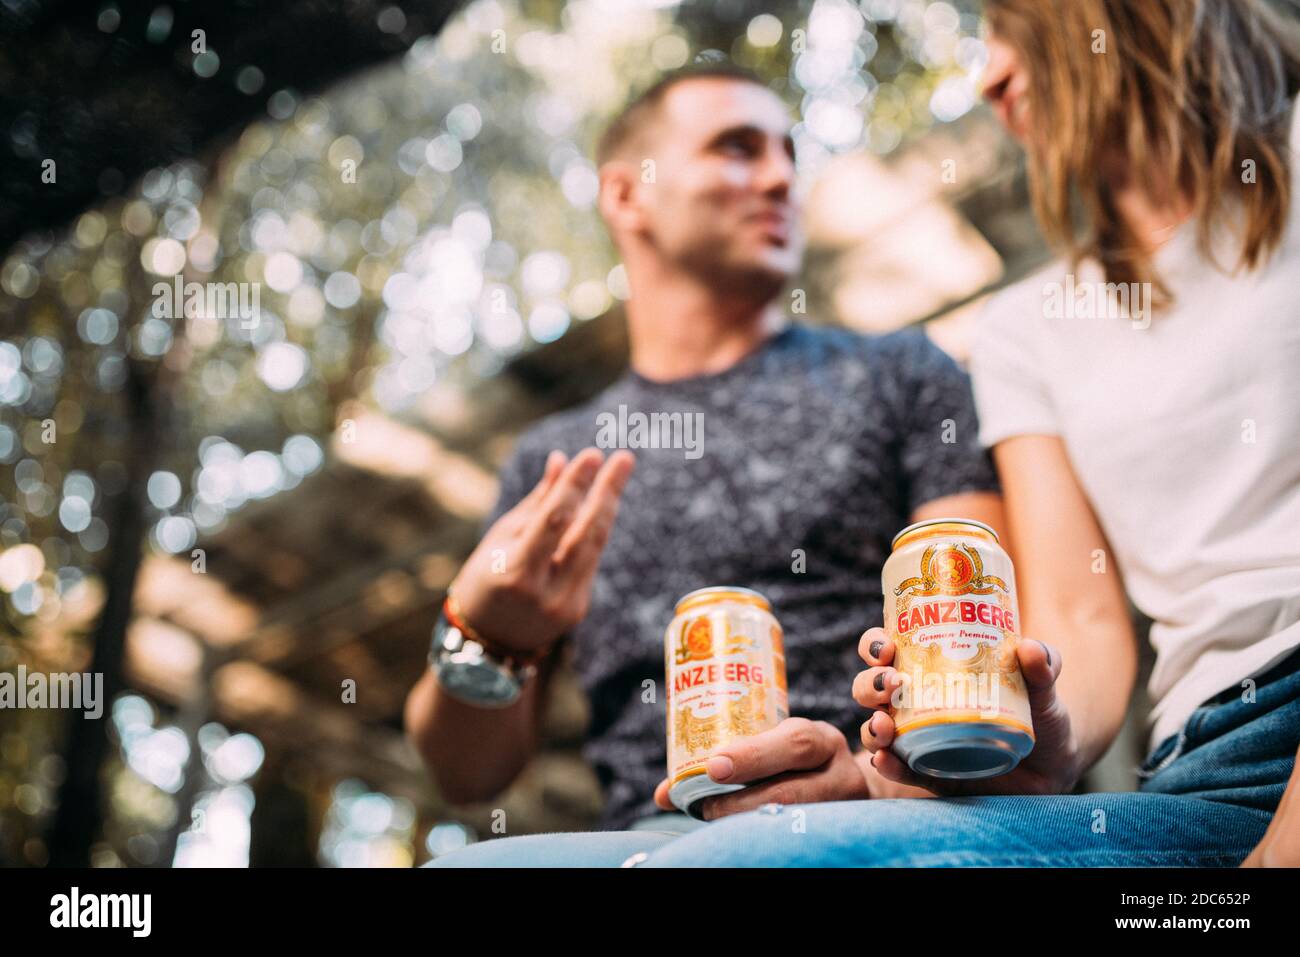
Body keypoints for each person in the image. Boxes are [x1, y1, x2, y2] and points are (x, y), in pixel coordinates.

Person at [627, 0, 1300, 867]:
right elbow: (1083, 617)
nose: (988, 77)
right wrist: (1039, 735)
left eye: (1009, 29)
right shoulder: (1025, 328)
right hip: (1199, 770)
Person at [405, 65, 1002, 866]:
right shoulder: (553, 467)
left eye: (789, 153)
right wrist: (485, 637)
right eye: (736, 149)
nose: (781, 176)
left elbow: (981, 651)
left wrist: (871, 777)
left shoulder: (904, 373)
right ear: (628, 196)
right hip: (651, 842)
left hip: (896, 811)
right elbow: (466, 772)